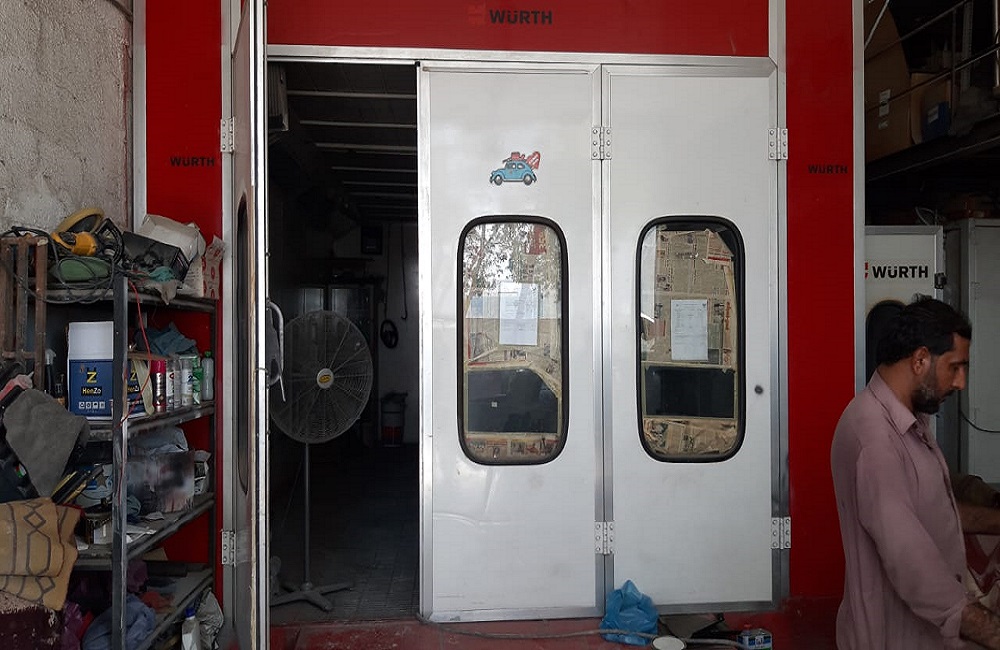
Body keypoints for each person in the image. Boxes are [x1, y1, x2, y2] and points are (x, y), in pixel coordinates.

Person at [831, 297, 1000, 649]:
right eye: (955, 367)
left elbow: (932, 511)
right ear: (921, 359)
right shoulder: (875, 438)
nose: (961, 382)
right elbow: (911, 563)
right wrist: (990, 631)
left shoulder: (908, 421)